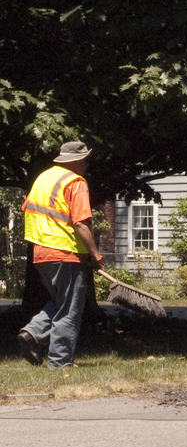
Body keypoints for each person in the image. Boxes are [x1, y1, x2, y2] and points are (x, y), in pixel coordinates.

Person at [18, 141, 103, 368]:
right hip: (66, 252)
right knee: (70, 310)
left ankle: (32, 333)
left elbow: (26, 208)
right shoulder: (76, 182)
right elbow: (81, 223)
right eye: (84, 159)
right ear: (74, 162)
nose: (86, 164)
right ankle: (60, 363)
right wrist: (95, 254)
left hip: (41, 253)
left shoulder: (43, 178)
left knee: (62, 302)